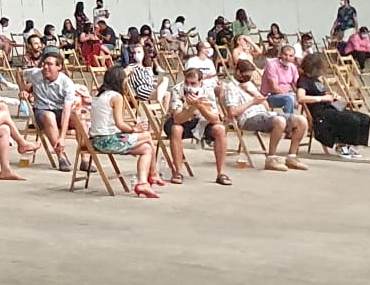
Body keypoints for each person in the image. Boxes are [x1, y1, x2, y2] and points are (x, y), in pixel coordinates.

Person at [222, 58, 308, 171]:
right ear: (238, 72)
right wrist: (252, 102)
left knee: (301, 120)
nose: (249, 78)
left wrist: (253, 93)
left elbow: (266, 106)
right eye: (247, 75)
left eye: (250, 75)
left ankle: (291, 157)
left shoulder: (249, 85)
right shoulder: (231, 87)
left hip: (264, 114)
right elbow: (232, 112)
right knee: (279, 121)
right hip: (248, 118)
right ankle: (271, 159)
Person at [87, 66, 162, 198]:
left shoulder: (99, 96)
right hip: (107, 140)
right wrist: (134, 129)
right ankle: (154, 173)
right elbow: (120, 124)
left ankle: (143, 183)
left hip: (96, 139)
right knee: (147, 135)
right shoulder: (116, 96)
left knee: (146, 148)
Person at [165, 65, 232, 185]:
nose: (189, 86)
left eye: (193, 83)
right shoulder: (177, 89)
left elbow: (215, 119)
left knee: (220, 129)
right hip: (182, 120)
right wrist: (192, 108)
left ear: (200, 82)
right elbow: (178, 118)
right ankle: (178, 172)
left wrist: (200, 106)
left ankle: (221, 173)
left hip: (202, 121)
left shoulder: (207, 90)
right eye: (187, 82)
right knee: (176, 129)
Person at [296, 53, 370, 158]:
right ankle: (341, 144)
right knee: (351, 119)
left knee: (364, 118)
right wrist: (321, 98)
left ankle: (350, 144)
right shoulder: (303, 81)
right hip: (320, 112)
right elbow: (301, 98)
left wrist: (331, 95)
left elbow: (320, 93)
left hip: (330, 107)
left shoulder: (316, 80)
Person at [24, 49, 83, 170]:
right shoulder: (36, 73)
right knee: (49, 116)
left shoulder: (66, 83)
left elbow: (67, 111)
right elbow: (19, 73)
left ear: (59, 67)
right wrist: (23, 89)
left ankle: (85, 159)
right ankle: (61, 156)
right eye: (44, 64)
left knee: (81, 121)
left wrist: (62, 137)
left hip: (60, 110)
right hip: (42, 111)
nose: (45, 67)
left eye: (49, 64)